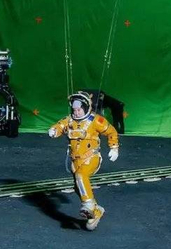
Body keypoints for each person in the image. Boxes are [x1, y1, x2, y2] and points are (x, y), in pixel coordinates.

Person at [48, 91, 119, 231]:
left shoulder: (96, 121)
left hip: (91, 157)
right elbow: (60, 126)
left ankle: (88, 205)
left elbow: (111, 131)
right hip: (75, 160)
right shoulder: (70, 120)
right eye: (74, 110)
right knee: (79, 186)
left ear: (86, 108)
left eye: (79, 110)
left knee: (81, 176)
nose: (76, 112)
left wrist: (114, 147)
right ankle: (95, 211)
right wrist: (53, 131)